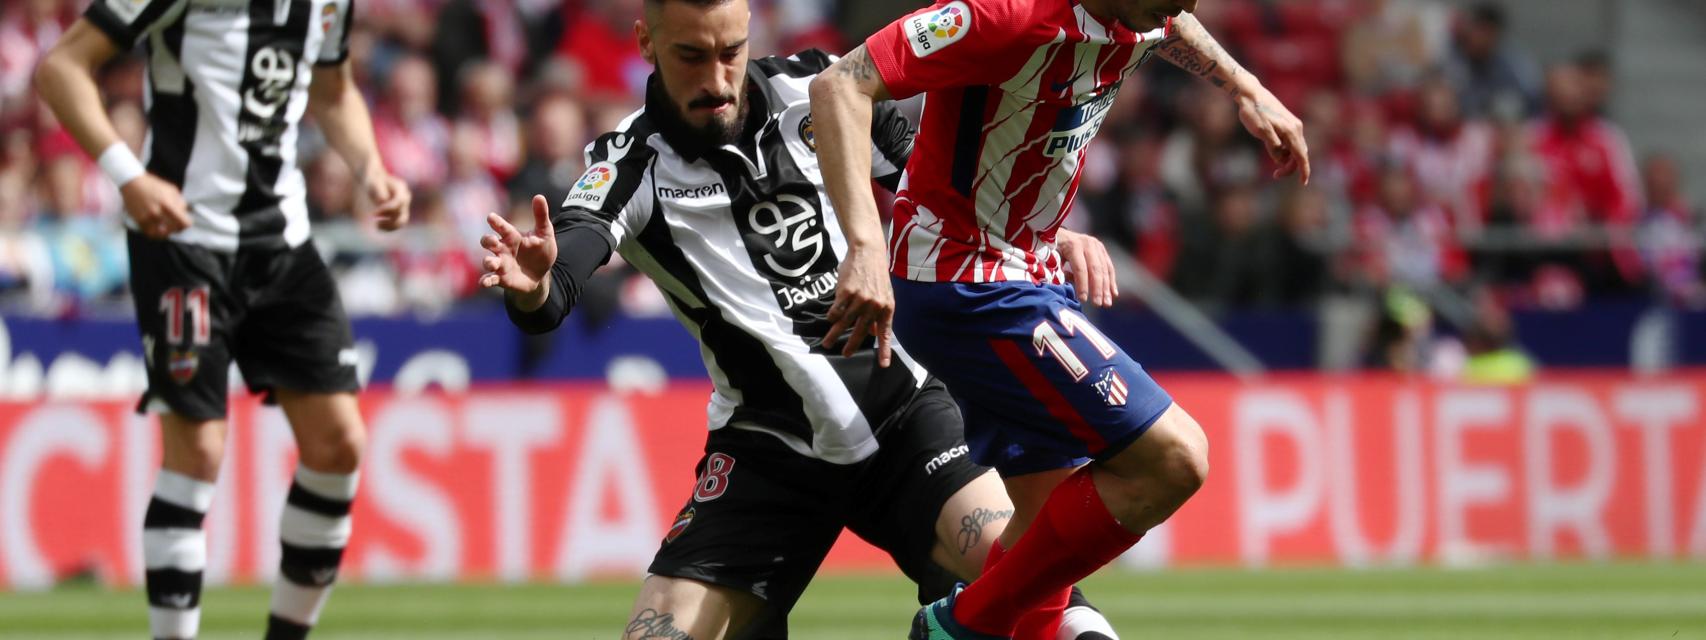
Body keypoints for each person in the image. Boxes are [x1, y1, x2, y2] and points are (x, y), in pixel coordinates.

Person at [477, 1, 1122, 638]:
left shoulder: (819, 88)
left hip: (908, 417)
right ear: (646, 43)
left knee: (1037, 587)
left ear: (750, 34)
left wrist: (1038, 237)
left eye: (730, 52)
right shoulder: (626, 162)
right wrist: (535, 285)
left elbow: (942, 185)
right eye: (690, 56)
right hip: (768, 450)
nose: (716, 79)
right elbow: (560, 275)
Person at [806, 0, 1308, 638]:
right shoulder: (1004, 15)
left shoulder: (1143, 12)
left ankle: (978, 625)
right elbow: (841, 84)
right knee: (1174, 458)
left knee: (1044, 540)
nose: (1180, 7)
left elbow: (1169, 25)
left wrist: (1246, 85)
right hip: (966, 281)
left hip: (1027, 268)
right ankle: (960, 626)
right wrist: (865, 246)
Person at [34, 1, 412, 637]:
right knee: (199, 451)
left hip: (282, 242)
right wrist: (129, 177)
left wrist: (370, 167)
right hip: (183, 237)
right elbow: (61, 67)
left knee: (339, 443)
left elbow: (333, 86)